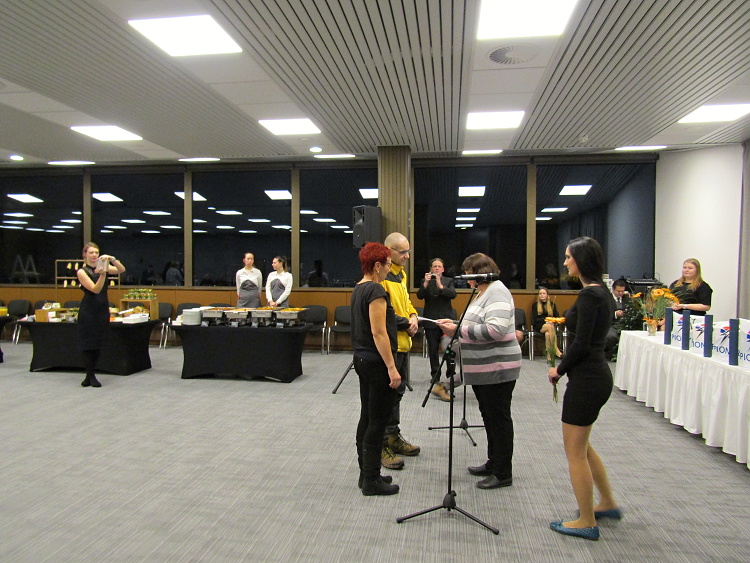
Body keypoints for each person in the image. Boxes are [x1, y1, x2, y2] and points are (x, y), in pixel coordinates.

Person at [547, 236, 620, 541]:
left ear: (581, 260)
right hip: (595, 376)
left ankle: (586, 520)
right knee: (584, 446)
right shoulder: (601, 291)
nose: (565, 262)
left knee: (574, 452)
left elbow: (582, 343)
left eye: (569, 257)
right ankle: (607, 503)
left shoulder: (591, 295)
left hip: (588, 379)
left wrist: (558, 369)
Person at [437, 253, 522, 490]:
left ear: (480, 272)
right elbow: (476, 323)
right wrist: (456, 325)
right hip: (483, 368)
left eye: (469, 274)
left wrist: (458, 330)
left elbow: (495, 329)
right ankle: (493, 462)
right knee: (489, 417)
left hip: (497, 367)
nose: (467, 279)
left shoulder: (497, 291)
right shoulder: (483, 292)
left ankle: (503, 472)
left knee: (499, 419)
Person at [351, 242, 401, 496]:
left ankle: (366, 474)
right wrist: (392, 367)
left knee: (367, 417)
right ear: (377, 265)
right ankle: (371, 480)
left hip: (361, 360)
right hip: (376, 363)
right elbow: (379, 333)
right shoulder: (375, 290)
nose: (390, 269)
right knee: (377, 422)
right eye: (388, 265)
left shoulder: (358, 288)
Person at [379, 232, 421, 470]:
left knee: (398, 393)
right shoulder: (382, 277)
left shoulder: (401, 274)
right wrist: (407, 323)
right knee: (385, 396)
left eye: (408, 251)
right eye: (403, 252)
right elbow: (384, 313)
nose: (407, 256)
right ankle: (382, 443)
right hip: (390, 345)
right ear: (389, 252)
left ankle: (393, 436)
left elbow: (406, 304)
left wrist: (413, 315)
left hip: (404, 344)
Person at [76, 242, 126, 388]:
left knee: (98, 342)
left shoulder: (103, 267)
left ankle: (89, 376)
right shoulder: (82, 272)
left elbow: (121, 270)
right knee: (89, 343)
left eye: (96, 253)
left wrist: (112, 259)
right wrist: (102, 274)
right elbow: (95, 289)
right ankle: (90, 375)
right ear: (85, 255)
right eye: (91, 252)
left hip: (102, 308)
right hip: (89, 310)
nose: (94, 255)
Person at [416, 257, 456, 402]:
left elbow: (452, 295)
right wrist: (426, 284)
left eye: (439, 266)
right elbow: (420, 296)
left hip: (446, 320)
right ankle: (435, 376)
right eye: (434, 266)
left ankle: (451, 373)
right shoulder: (425, 281)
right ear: (431, 269)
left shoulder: (448, 281)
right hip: (431, 320)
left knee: (449, 349)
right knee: (433, 350)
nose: (437, 268)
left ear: (443, 269)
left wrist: (440, 285)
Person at [531, 287, 562, 358]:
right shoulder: (535, 305)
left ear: (547, 295)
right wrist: (546, 321)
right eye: (540, 294)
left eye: (544, 293)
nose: (542, 295)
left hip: (550, 325)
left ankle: (549, 356)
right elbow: (535, 319)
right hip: (539, 326)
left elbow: (556, 317)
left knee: (547, 334)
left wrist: (551, 321)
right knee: (549, 327)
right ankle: (556, 349)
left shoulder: (552, 304)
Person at [605, 279, 630, 360]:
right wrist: (615, 314)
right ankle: (613, 355)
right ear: (613, 289)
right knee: (611, 336)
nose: (620, 293)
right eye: (618, 291)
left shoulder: (626, 298)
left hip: (624, 323)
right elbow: (603, 313)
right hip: (610, 324)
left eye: (622, 291)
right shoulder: (607, 299)